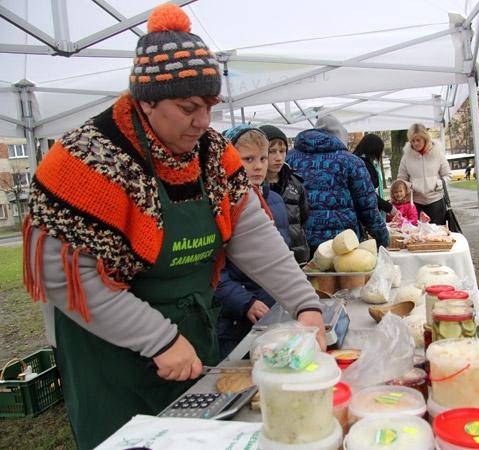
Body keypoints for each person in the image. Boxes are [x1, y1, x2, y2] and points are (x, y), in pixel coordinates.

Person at [20, 5, 324, 448]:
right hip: (111, 351)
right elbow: (65, 278)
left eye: (209, 107)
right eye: (188, 108)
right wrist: (158, 339)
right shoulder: (86, 159)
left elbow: (252, 233)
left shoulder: (212, 154)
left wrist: (304, 303)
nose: (203, 121)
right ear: (146, 101)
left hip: (192, 331)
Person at [216, 125, 291, 358]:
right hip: (235, 318)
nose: (258, 166)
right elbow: (214, 270)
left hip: (272, 310)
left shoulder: (276, 201)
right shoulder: (220, 205)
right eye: (248, 159)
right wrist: (244, 302)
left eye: (262, 158)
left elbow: (281, 256)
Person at [287, 115, 389, 254]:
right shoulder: (351, 162)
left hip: (299, 243)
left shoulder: (288, 159)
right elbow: (368, 208)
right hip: (343, 246)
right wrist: (383, 239)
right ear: (340, 136)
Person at [260, 124, 310, 264]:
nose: (278, 157)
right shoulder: (254, 187)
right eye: (272, 151)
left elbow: (303, 218)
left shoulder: (295, 184)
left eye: (282, 151)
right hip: (269, 260)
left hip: (297, 256)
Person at [397, 123, 450, 225]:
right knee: (419, 236)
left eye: (418, 140)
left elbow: (447, 175)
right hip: (416, 203)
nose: (416, 143)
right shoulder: (406, 157)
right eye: (413, 141)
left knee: (437, 234)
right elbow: (401, 179)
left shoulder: (437, 153)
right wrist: (410, 186)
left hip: (436, 200)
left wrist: (439, 183)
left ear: (425, 138)